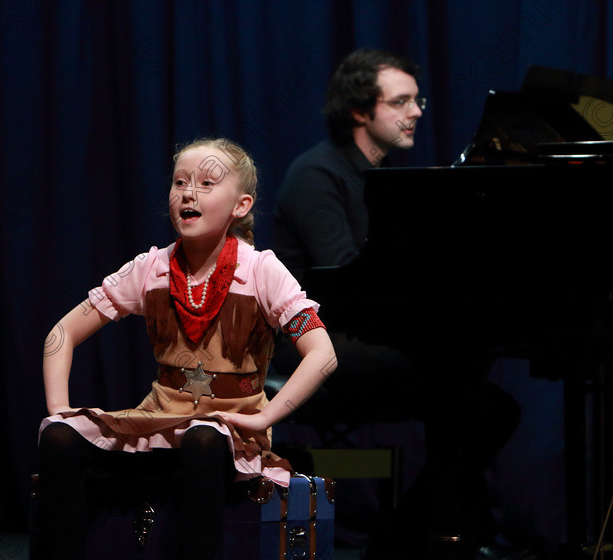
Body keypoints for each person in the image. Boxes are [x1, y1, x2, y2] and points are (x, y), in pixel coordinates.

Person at [33, 137, 338, 560]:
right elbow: (60, 334)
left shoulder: (262, 270)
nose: (188, 193)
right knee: (60, 437)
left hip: (229, 432)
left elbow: (323, 354)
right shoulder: (150, 268)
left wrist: (265, 417)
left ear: (241, 206)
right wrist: (57, 409)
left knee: (203, 439)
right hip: (159, 422)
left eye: (207, 183)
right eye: (179, 183)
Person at [272, 49, 522, 559]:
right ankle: (426, 535)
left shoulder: (382, 178)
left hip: (364, 334)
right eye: (401, 101)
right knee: (470, 394)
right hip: (313, 348)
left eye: (418, 100)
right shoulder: (316, 174)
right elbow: (341, 282)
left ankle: (424, 533)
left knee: (480, 396)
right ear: (361, 111)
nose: (417, 111)